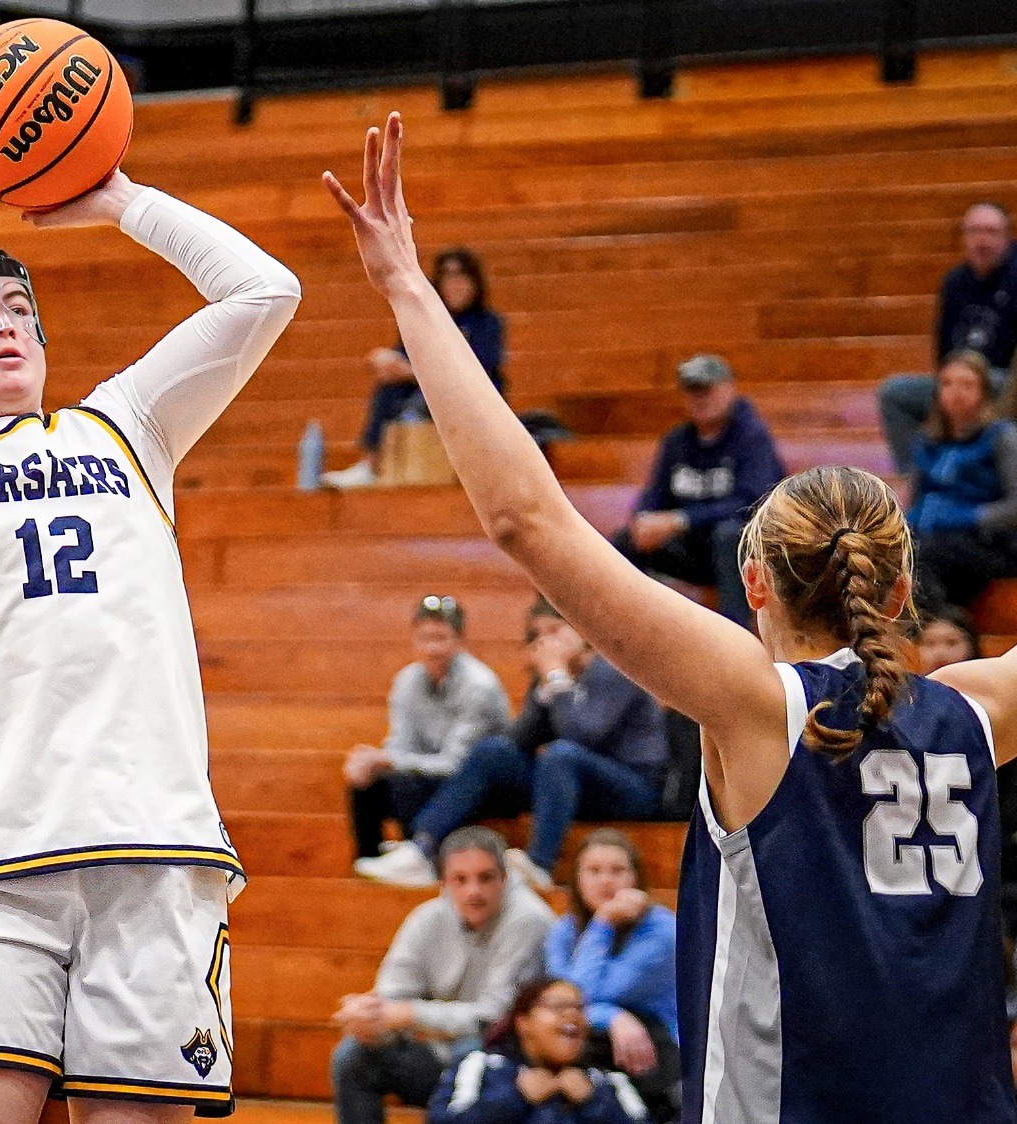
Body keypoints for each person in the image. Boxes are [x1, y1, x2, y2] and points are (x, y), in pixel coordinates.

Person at [329, 113, 1017, 1121]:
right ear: (902, 592)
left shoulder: (751, 707)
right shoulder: (978, 711)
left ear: (754, 588)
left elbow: (525, 519)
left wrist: (405, 284)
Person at [0, 47, 299, 1124]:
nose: (1, 321)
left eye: (16, 304)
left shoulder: (128, 425)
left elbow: (264, 289)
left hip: (155, 855)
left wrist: (120, 199)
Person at [357, 601, 666, 891]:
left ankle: (539, 864)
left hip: (632, 787)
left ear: (581, 630)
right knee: (494, 752)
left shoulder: (614, 668)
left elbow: (582, 736)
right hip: (571, 784)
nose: (545, 643)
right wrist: (544, 688)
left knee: (560, 755)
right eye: (537, 636)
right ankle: (422, 848)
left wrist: (555, 678)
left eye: (554, 631)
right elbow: (520, 741)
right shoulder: (550, 675)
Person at [330, 828, 554, 1124]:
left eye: (485, 878)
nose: (473, 891)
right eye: (460, 880)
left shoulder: (530, 920)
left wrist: (410, 1014)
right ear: (444, 882)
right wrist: (370, 1016)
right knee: (353, 1055)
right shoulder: (426, 918)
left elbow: (493, 1017)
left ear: (505, 878)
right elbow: (391, 998)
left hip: (508, 1067)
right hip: (438, 1053)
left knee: (472, 1051)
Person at [609, 355, 785, 625]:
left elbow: (753, 502)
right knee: (626, 539)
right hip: (693, 549)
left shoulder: (752, 437)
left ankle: (734, 635)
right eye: (692, 391)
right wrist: (643, 520)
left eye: (707, 389)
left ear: (729, 389)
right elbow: (655, 494)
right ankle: (620, 628)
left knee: (728, 535)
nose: (699, 398)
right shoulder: (677, 441)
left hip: (743, 551)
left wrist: (682, 520)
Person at [344, 595, 511, 861]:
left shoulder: (480, 686)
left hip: (477, 786)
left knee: (407, 780)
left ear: (459, 641)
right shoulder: (407, 680)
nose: (432, 648)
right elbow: (400, 743)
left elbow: (456, 764)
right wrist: (375, 762)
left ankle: (419, 859)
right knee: (366, 782)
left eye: (441, 638)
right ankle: (367, 864)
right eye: (425, 639)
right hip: (429, 776)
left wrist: (389, 760)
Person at [322, 247, 504, 489]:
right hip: (425, 392)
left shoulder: (487, 323)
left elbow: (478, 372)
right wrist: (385, 360)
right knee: (389, 389)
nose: (455, 285)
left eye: (462, 277)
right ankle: (370, 463)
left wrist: (411, 372)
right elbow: (406, 354)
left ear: (474, 283)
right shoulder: (428, 320)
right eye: (448, 277)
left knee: (426, 395)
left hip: (469, 399)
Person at [543, 831, 678, 1120]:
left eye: (617, 871)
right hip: (597, 1046)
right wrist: (614, 1018)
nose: (605, 880)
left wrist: (603, 922)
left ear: (636, 879)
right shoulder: (563, 931)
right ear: (577, 879)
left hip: (661, 1057)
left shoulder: (663, 931)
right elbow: (561, 1003)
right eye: (593, 871)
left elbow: (582, 995)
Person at [877, 202, 1017, 472]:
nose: (982, 240)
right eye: (974, 232)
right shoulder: (954, 282)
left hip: (1003, 382)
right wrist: (951, 382)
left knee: (996, 381)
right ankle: (918, 477)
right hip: (960, 376)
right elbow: (943, 347)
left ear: (1007, 237)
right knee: (894, 394)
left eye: (990, 232)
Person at [427, 979, 650, 1124]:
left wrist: (593, 1102)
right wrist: (515, 1098)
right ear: (523, 1023)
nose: (571, 1015)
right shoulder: (481, 1066)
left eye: (579, 1008)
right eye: (558, 1006)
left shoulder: (607, 1082)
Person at [907, 349, 1017, 609]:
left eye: (967, 385)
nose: (956, 392)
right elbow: (916, 499)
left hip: (988, 543)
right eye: (947, 383)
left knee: (926, 558)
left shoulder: (1002, 436)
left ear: (985, 393)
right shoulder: (927, 440)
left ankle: (938, 631)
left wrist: (967, 517)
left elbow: (1015, 506)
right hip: (931, 539)